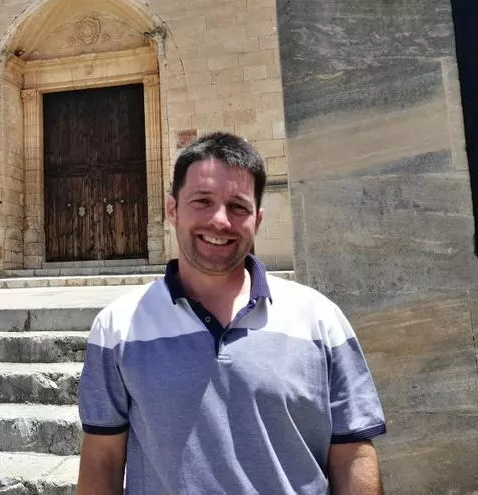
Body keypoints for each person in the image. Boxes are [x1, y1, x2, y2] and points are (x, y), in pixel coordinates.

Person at [77, 132, 386, 494]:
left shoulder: (321, 320)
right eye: (202, 201)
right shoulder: (117, 327)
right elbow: (103, 459)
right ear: (172, 209)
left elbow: (352, 454)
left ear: (258, 219)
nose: (220, 221)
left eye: (238, 207)